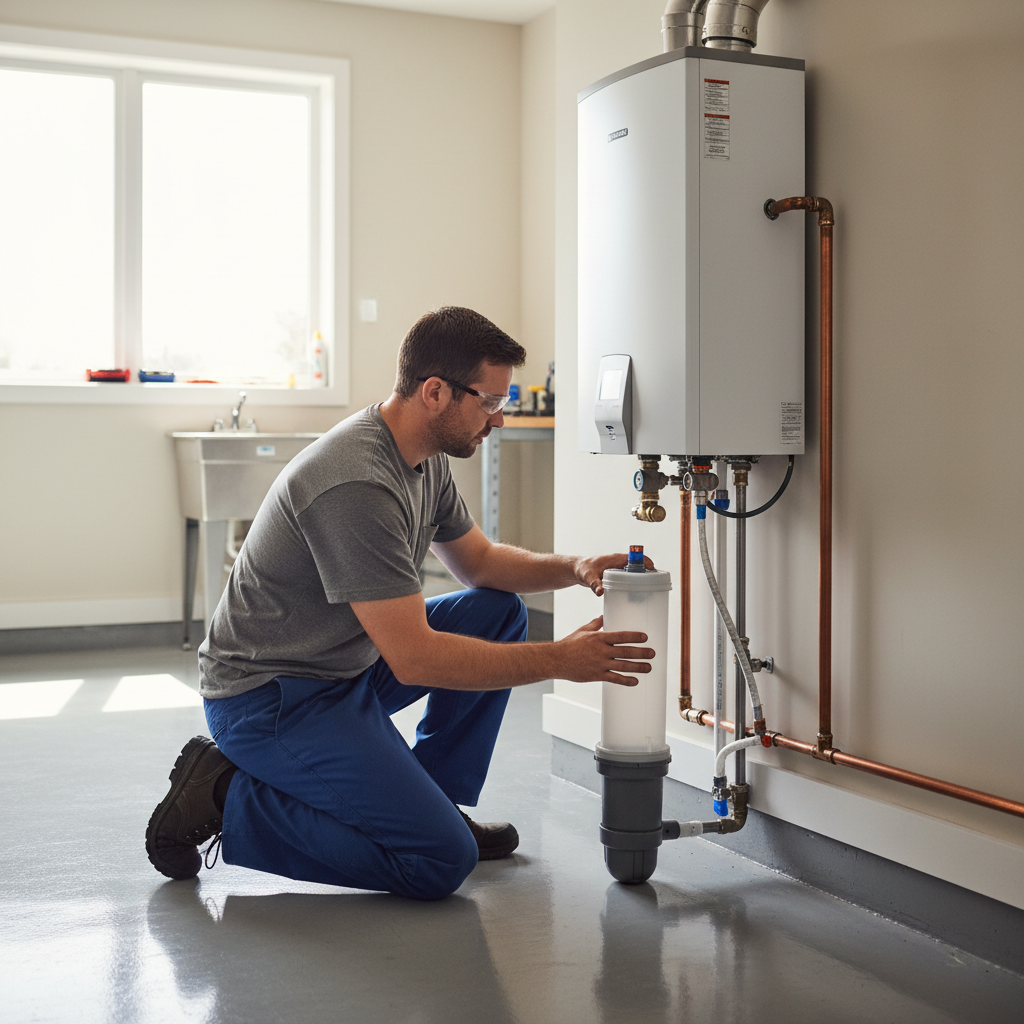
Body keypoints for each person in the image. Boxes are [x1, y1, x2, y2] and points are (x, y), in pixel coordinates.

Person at [146, 306, 654, 900]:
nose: (498, 420)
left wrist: (573, 568)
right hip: (269, 697)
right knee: (438, 861)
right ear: (435, 392)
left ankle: (432, 802)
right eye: (489, 402)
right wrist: (560, 660)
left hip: (341, 667)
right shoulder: (357, 481)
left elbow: (482, 564)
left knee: (497, 611)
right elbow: (414, 660)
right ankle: (225, 795)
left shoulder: (424, 457)